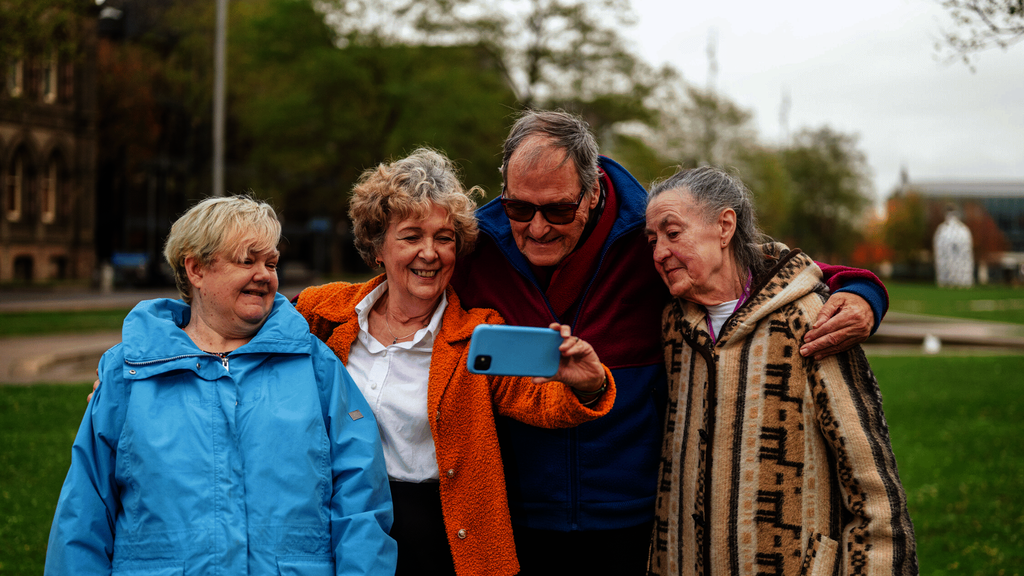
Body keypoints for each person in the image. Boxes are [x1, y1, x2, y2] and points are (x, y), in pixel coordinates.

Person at [449, 110, 891, 575]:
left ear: (593, 190)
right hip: (516, 518)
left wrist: (862, 292)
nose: (537, 228)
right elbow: (410, 278)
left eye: (558, 210)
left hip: (634, 522)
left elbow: (761, 267)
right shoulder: (479, 244)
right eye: (519, 208)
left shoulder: (649, 234)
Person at [293, 149, 616, 576]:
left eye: (444, 238)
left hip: (443, 537)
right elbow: (246, 336)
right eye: (411, 236)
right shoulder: (324, 312)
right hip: (340, 525)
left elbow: (536, 401)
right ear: (377, 248)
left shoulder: (478, 333)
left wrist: (586, 385)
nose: (430, 253)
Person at [46, 196, 396, 575]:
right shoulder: (129, 372)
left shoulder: (314, 365)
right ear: (195, 269)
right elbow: (85, 514)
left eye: (271, 263)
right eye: (247, 261)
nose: (264, 275)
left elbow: (361, 500)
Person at [645, 167, 917, 575]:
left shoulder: (812, 318)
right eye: (652, 240)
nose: (659, 252)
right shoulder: (672, 329)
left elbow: (872, 488)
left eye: (672, 233)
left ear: (724, 226)